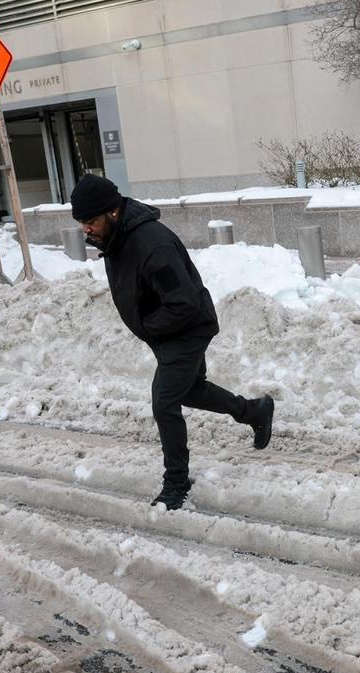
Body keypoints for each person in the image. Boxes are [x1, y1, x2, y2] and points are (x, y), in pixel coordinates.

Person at [70, 173, 274, 510]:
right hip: (171, 330)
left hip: (185, 328)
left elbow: (183, 303)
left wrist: (150, 325)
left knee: (165, 402)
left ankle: (176, 482)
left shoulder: (151, 244)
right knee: (190, 390)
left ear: (113, 212)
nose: (85, 230)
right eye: (81, 222)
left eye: (90, 221)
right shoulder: (119, 236)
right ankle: (254, 411)